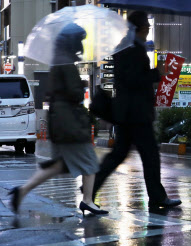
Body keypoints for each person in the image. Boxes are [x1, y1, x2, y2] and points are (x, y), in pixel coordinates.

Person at [8, 23, 108, 216]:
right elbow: (74, 93)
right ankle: (87, 200)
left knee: (57, 166)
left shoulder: (57, 61)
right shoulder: (66, 63)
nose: (81, 44)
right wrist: (83, 85)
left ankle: (22, 191)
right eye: (80, 40)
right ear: (73, 42)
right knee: (89, 161)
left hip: (60, 121)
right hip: (70, 121)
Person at [92, 11, 181, 209]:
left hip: (127, 113)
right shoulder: (133, 49)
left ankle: (90, 189)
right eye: (147, 28)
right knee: (150, 155)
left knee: (119, 155)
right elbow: (133, 80)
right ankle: (157, 197)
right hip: (136, 113)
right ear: (139, 29)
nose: (148, 32)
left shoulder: (126, 46)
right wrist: (156, 73)